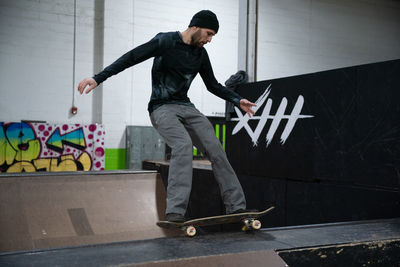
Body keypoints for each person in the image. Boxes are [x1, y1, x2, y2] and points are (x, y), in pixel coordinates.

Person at [78, 10, 256, 222]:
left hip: (186, 107)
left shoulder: (200, 54)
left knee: (216, 149)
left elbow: (212, 85)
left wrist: (236, 99)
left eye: (212, 37)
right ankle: (175, 211)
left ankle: (236, 207)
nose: (209, 40)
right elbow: (130, 58)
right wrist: (98, 78)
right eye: (208, 34)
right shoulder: (165, 41)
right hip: (161, 107)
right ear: (196, 26)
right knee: (182, 145)